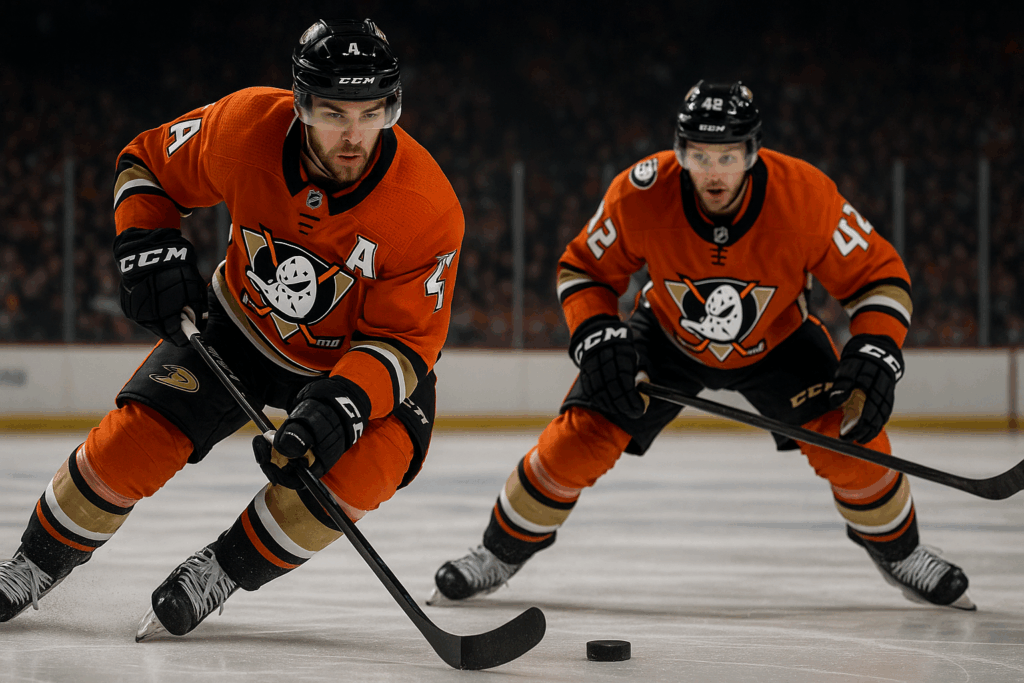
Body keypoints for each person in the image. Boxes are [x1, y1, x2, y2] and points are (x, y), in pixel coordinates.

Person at [0, 18, 464, 640]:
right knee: (128, 447)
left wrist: (346, 403)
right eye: (333, 114)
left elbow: (408, 344)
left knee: (357, 476)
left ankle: (221, 569)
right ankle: (33, 564)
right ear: (300, 105)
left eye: (371, 112)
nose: (354, 136)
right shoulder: (246, 126)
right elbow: (147, 164)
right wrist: (148, 245)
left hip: (350, 366)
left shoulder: (427, 207)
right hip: (237, 329)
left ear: (392, 107)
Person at [431, 81, 974, 610]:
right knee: (579, 439)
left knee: (852, 439)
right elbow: (584, 269)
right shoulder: (640, 193)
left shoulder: (805, 195)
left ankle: (903, 555)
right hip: (665, 336)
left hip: (781, 342)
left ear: (753, 151)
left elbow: (878, 278)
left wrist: (877, 349)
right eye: (700, 156)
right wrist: (595, 333)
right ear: (679, 151)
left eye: (728, 156)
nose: (714, 173)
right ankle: (497, 553)